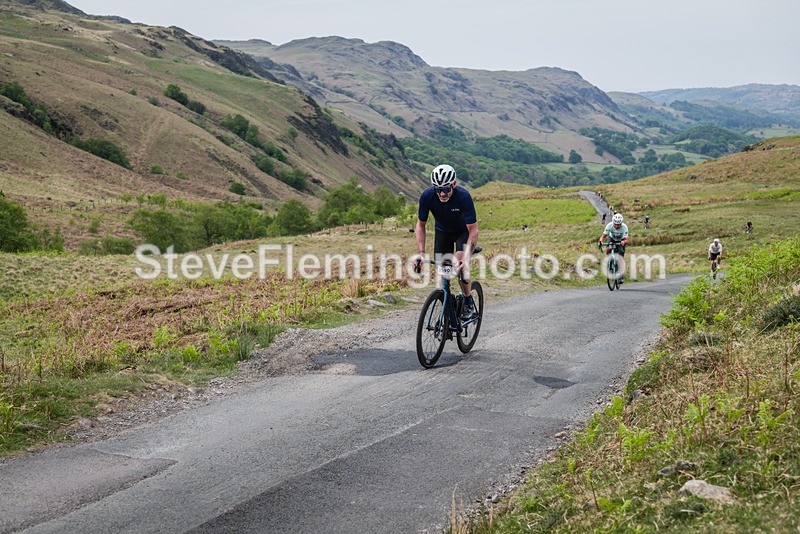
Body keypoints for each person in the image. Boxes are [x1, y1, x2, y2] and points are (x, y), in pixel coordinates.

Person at [414, 164, 479, 321]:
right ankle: (447, 303)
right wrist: (421, 253)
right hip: (442, 232)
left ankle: (468, 301)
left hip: (462, 232)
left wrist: (466, 257)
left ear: (454, 184)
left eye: (446, 189)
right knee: (443, 271)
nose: (442, 193)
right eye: (438, 189)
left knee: (460, 264)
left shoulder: (463, 196)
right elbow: (420, 225)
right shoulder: (427, 196)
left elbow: (473, 230)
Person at [598, 213, 629, 283]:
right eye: (615, 224)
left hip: (621, 241)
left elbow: (626, 239)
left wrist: (624, 242)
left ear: (621, 223)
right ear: (613, 222)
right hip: (612, 238)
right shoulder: (609, 225)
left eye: (618, 224)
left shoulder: (624, 227)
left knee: (621, 256)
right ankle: (609, 262)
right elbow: (603, 236)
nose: (617, 226)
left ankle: (620, 276)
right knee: (608, 249)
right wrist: (601, 241)